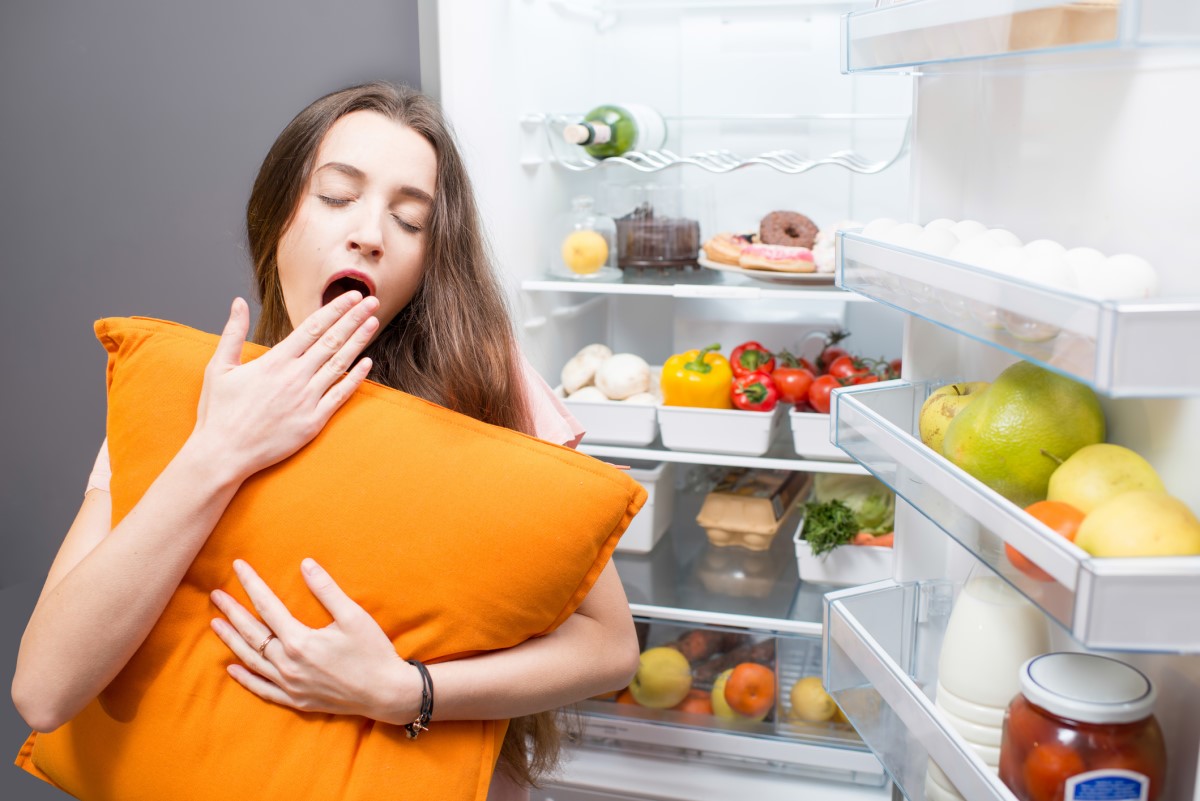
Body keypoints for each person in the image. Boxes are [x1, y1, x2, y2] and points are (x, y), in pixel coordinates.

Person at [12, 81, 641, 799]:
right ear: (277, 213)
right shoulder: (182, 397)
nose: (371, 233)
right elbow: (43, 691)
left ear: (427, 262)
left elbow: (611, 646)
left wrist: (404, 691)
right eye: (337, 196)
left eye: (410, 220)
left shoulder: (489, 384)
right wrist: (220, 451)